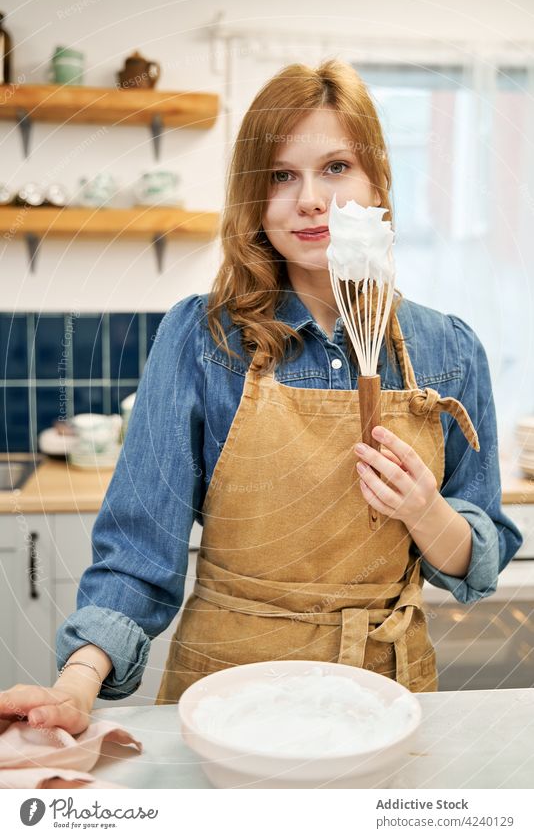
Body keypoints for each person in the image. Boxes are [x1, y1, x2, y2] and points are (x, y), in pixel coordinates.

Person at [0, 59, 522, 734]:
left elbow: (474, 563)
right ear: (255, 195)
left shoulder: (447, 351)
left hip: (384, 699)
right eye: (282, 174)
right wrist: (76, 685)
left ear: (376, 183)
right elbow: (137, 552)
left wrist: (426, 513)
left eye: (336, 167)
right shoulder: (202, 337)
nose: (310, 199)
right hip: (226, 696)